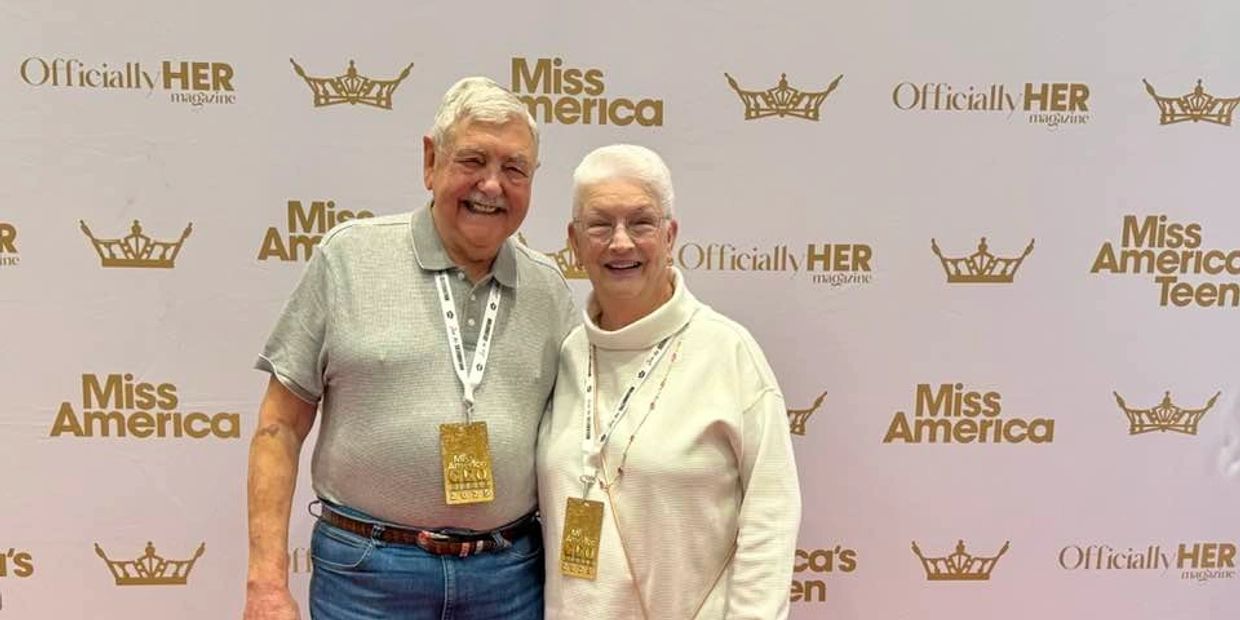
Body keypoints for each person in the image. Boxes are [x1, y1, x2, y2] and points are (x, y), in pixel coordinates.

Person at [244, 76, 576, 620]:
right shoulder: (348, 259)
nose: (492, 186)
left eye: (514, 169)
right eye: (472, 160)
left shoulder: (549, 291)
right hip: (368, 576)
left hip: (509, 577)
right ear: (430, 161)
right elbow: (278, 428)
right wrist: (265, 583)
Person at [537, 144, 801, 619]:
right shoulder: (569, 354)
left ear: (669, 234)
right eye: (600, 224)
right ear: (574, 242)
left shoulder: (727, 352)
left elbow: (771, 516)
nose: (621, 243)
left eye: (641, 223)